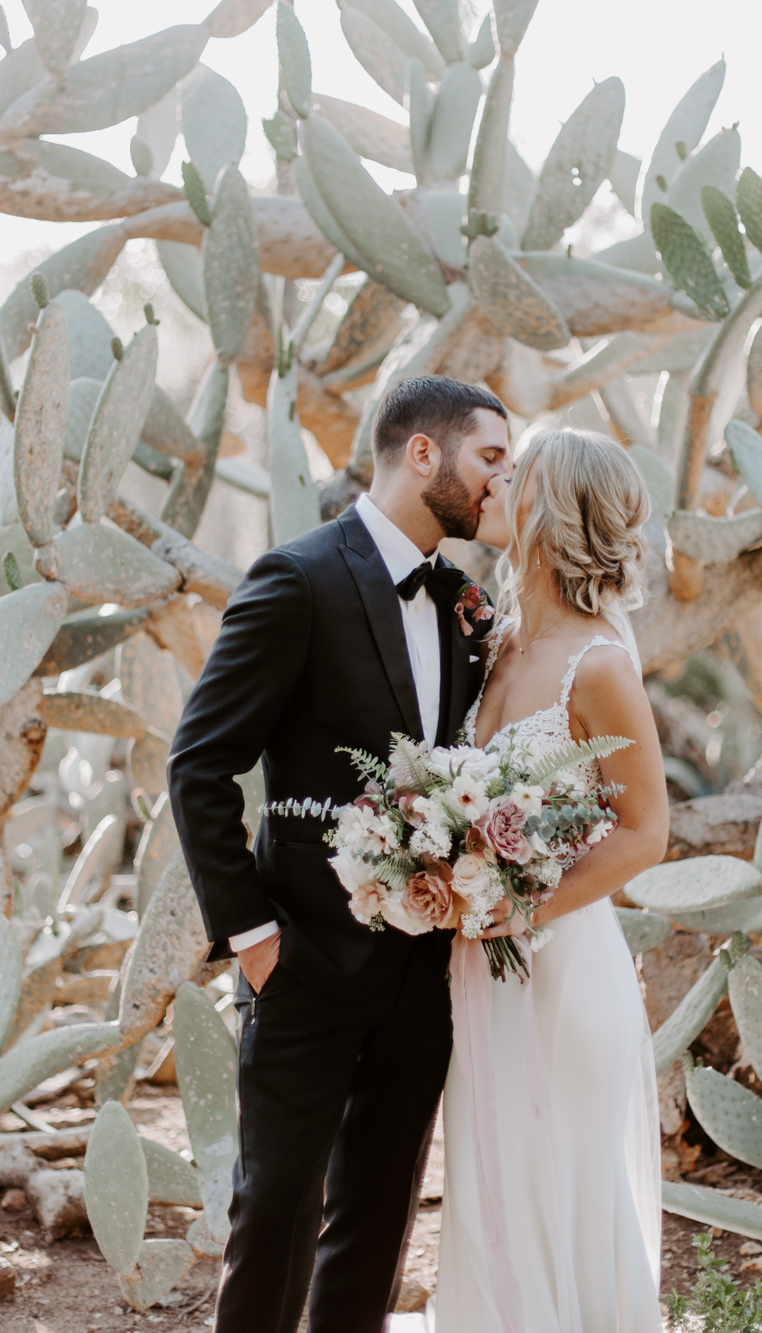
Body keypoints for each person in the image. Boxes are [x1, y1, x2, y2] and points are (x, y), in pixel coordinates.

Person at [167, 374, 512, 1333]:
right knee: (275, 1213)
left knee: (379, 1220)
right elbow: (201, 763)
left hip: (421, 972)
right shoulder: (297, 578)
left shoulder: (462, 605)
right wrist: (253, 936)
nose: (502, 481)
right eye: (491, 457)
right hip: (304, 963)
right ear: (423, 453)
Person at [429, 427, 669, 1332]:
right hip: (483, 970)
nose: (489, 480)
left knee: (558, 1194)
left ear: (545, 505)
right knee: (491, 1193)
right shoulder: (497, 637)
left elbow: (646, 831)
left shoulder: (597, 662)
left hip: (564, 972)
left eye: (509, 470)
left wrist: (508, 903)